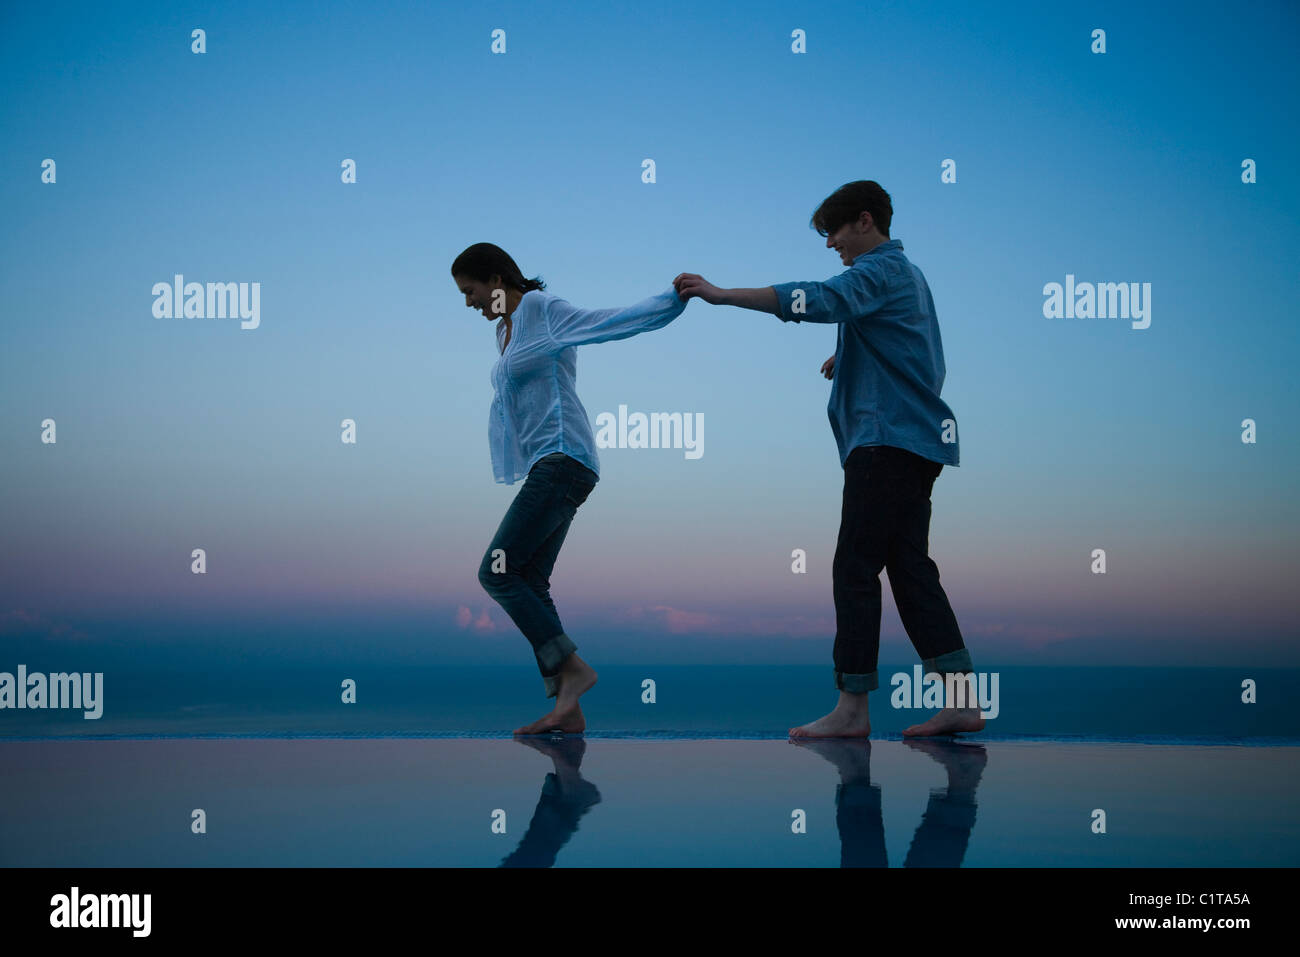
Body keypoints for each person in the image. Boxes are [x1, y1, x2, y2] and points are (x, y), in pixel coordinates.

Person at [673, 180, 983, 738]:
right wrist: (851, 351)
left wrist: (722, 294)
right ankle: (960, 699)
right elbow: (915, 350)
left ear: (865, 221)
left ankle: (852, 709)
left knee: (855, 567)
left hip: (885, 443)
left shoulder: (881, 271)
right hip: (915, 443)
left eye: (834, 232)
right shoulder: (906, 278)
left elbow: (816, 298)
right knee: (910, 569)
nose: (831, 244)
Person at [452, 242, 688, 734]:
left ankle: (574, 670)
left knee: (496, 572)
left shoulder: (542, 310)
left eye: (471, 291)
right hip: (555, 462)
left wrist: (672, 299)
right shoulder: (505, 330)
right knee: (531, 581)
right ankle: (566, 706)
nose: (469, 302)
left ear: (497, 279)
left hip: (563, 458)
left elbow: (610, 322)